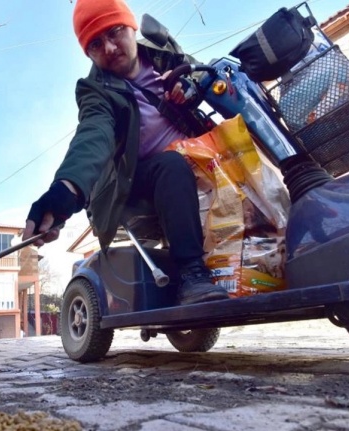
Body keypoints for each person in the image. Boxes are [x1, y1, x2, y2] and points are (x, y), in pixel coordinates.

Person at [21, 0, 229, 306]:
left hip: (203, 157)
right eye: (95, 44)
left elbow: (203, 74)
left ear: (130, 26)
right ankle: (192, 275)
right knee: (171, 166)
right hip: (141, 179)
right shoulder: (95, 91)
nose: (108, 47)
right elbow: (94, 135)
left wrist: (190, 86)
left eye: (114, 32)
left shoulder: (163, 51)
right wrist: (66, 190)